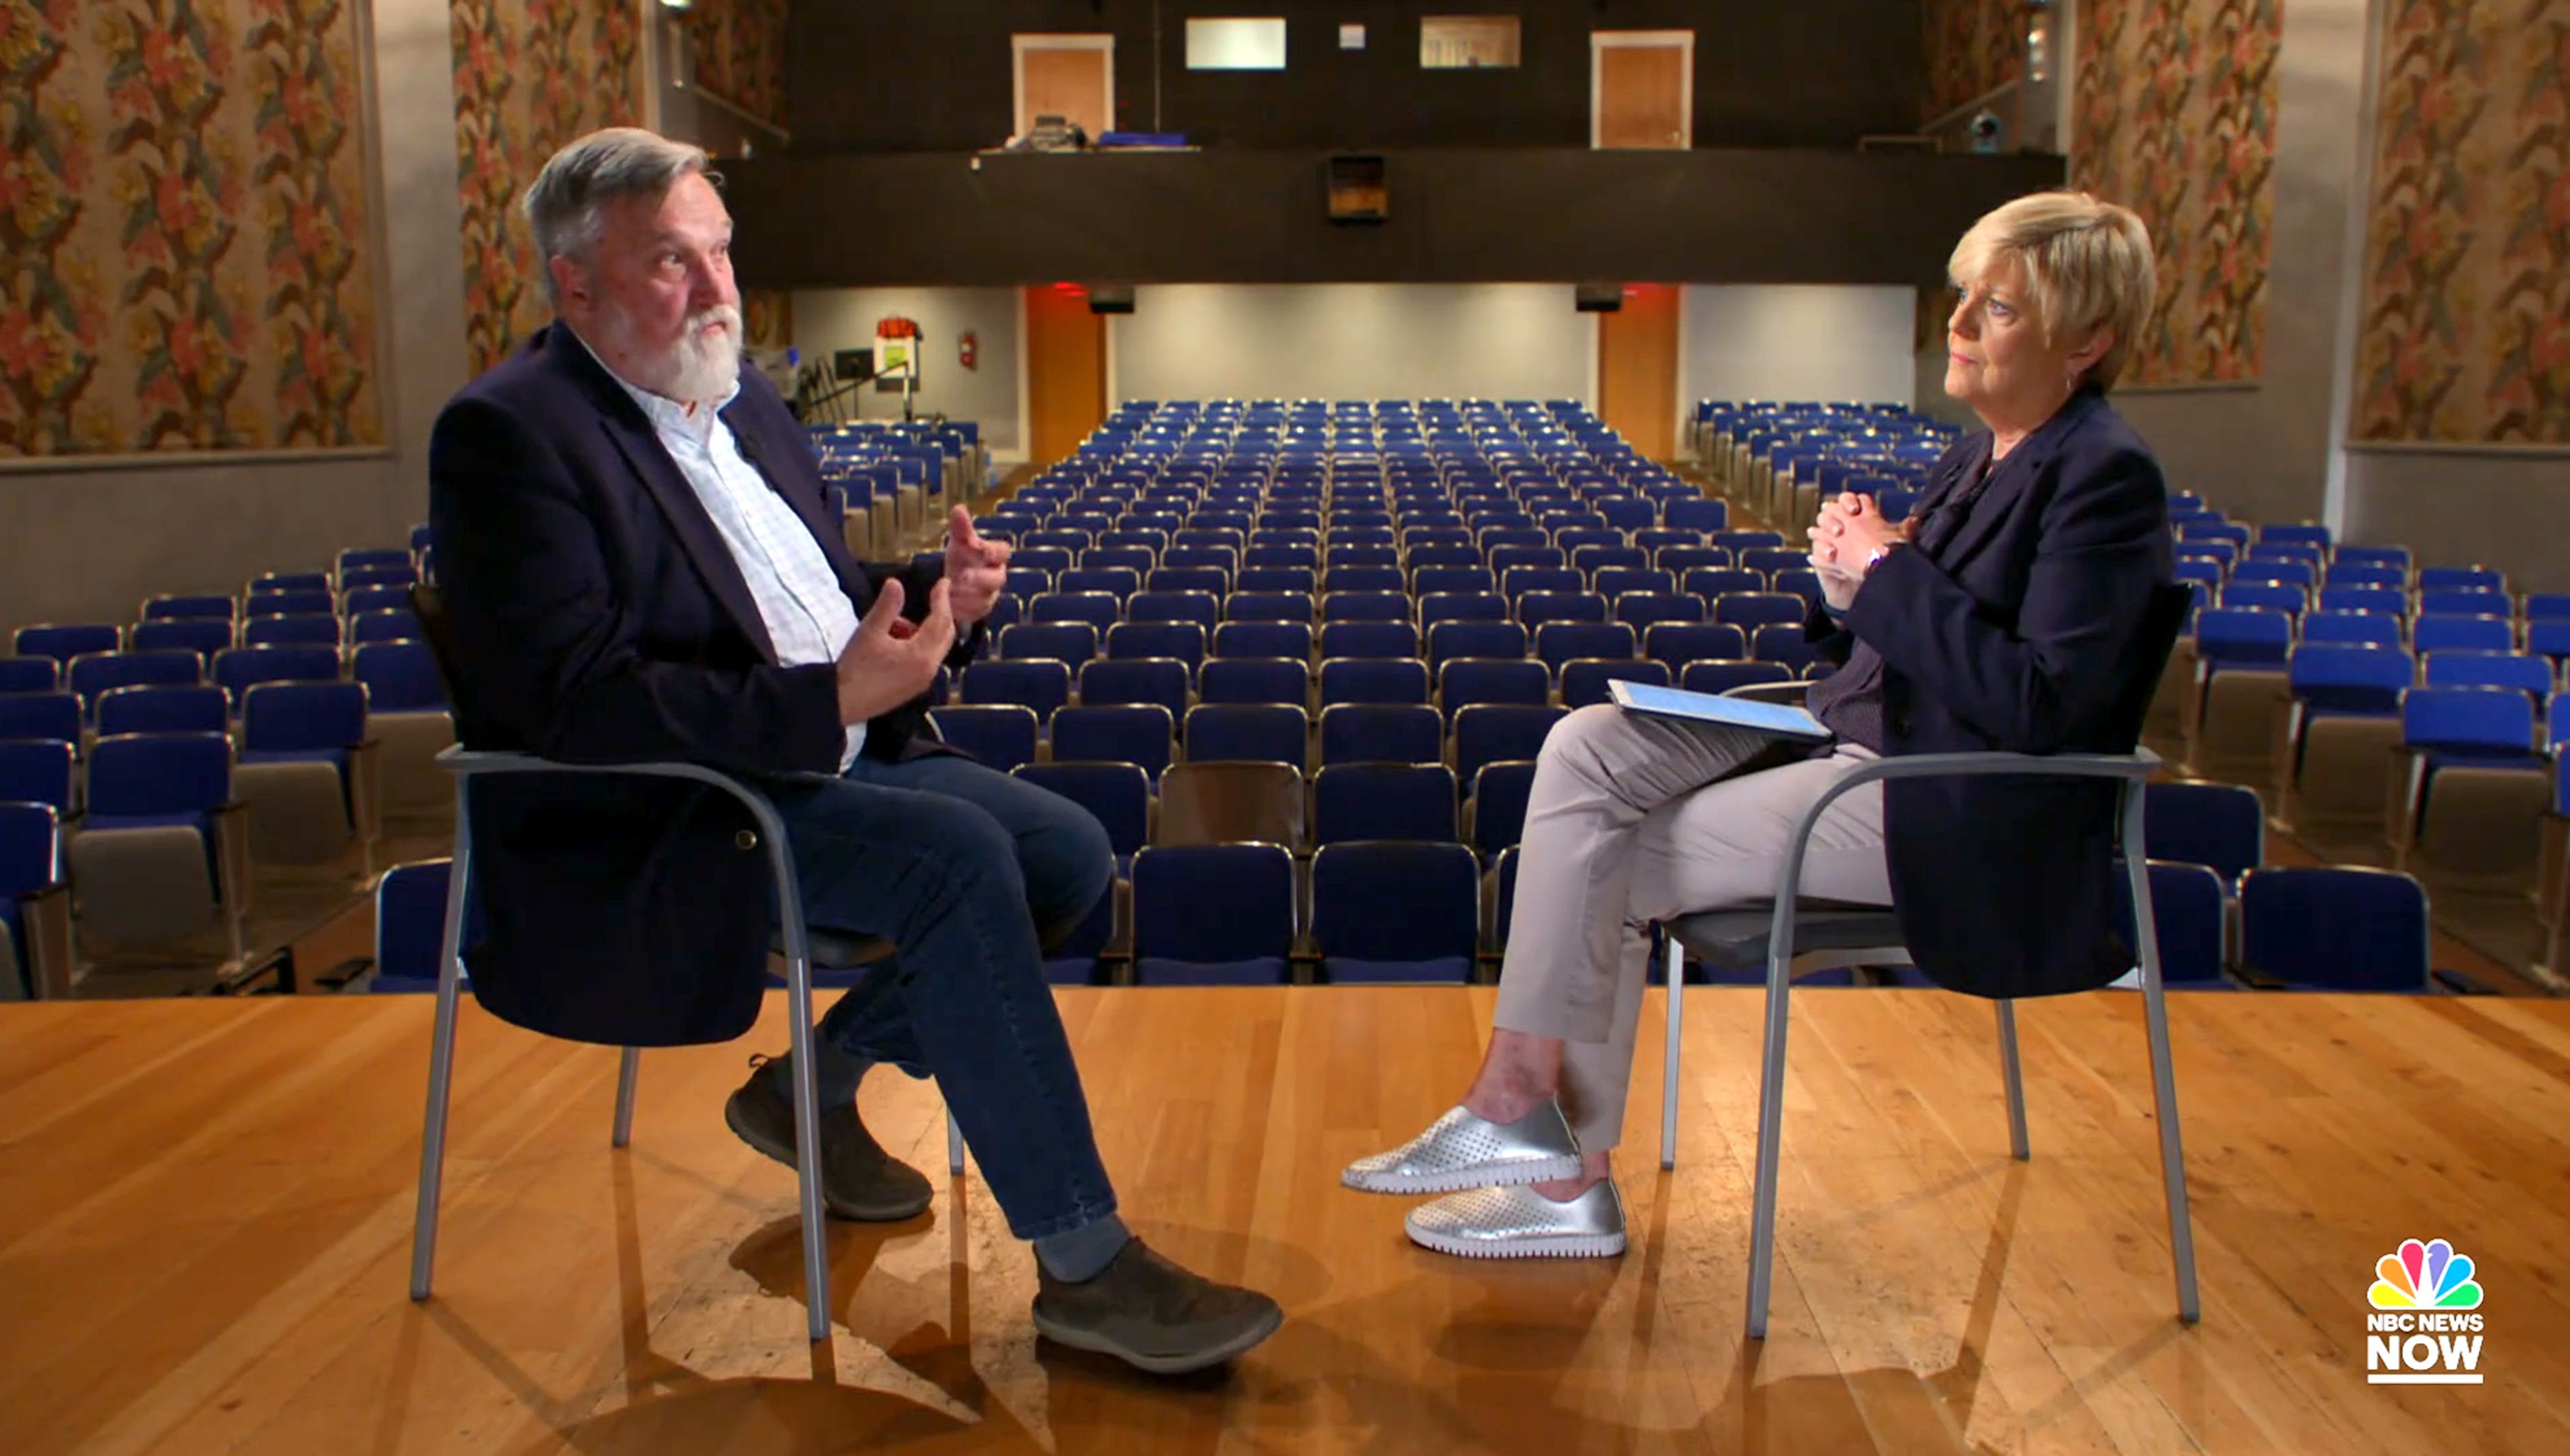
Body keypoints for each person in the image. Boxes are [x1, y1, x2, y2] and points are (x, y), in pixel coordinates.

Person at [427, 127, 1281, 1373]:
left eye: (719, 252)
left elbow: (807, 602)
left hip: (818, 757)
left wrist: (931, 601)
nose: (719, 290)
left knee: (1069, 852)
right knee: (953, 860)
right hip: (674, 809)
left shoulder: (742, 399)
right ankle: (1087, 1265)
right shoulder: (508, 434)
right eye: (674, 262)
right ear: (576, 283)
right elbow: (575, 702)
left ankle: (812, 1080)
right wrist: (830, 698)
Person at [1341, 189, 2176, 1259]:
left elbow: (2043, 704)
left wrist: (1886, 571)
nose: (1959, 326)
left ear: (2088, 340)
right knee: (1586, 743)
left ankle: (1557, 1168)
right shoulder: (1981, 454)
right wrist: (1846, 590)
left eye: (1998, 310)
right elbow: (1902, 633)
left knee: (1618, 856)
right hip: (1857, 744)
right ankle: (1527, 1120)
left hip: (1955, 804)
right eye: (1963, 297)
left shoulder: (2104, 476)